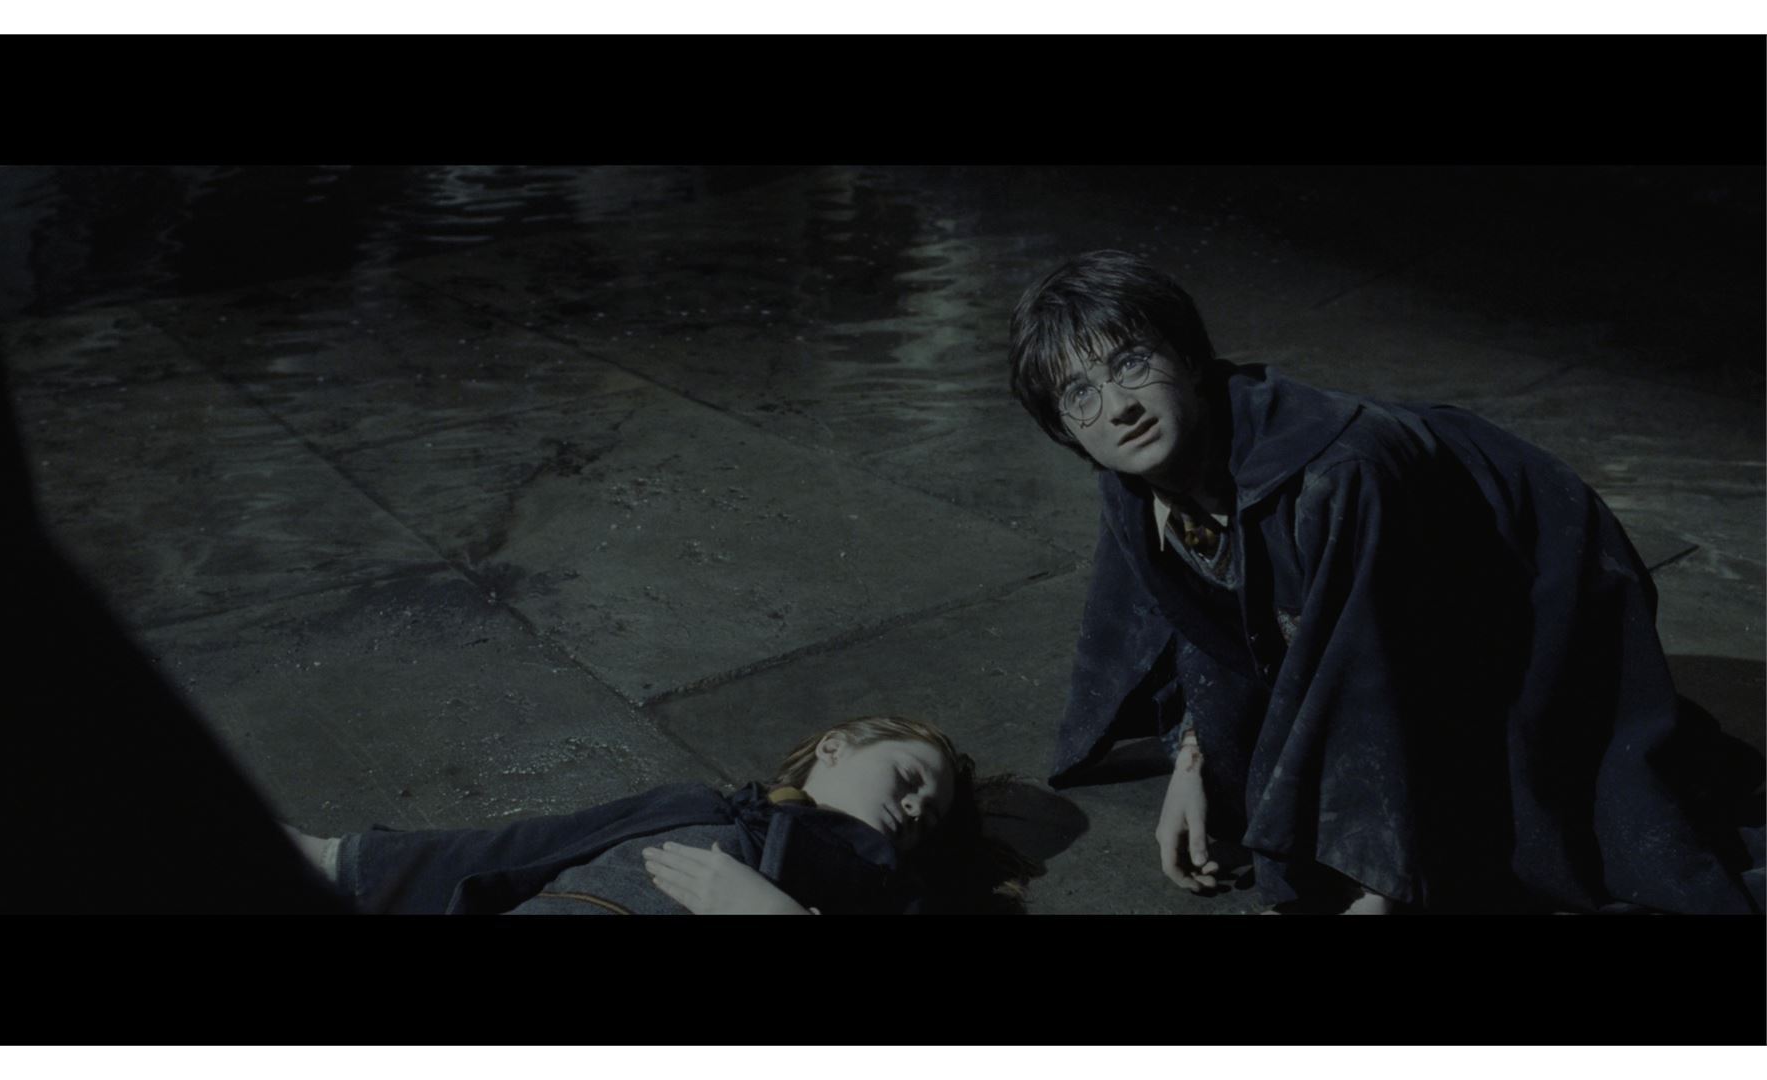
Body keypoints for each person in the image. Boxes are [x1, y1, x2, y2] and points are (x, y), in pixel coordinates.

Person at [1007, 249, 1764, 914]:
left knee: (1547, 824)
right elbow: (1207, 619)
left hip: (1530, 566)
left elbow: (1372, 668)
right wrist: (1194, 762)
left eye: (1131, 363)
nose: (1119, 408)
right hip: (1391, 570)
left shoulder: (1340, 477)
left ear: (1189, 357)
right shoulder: (1135, 476)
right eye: (1080, 396)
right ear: (1065, 430)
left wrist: (1372, 882)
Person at [286, 715, 1031, 914]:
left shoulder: (885, 889)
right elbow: (526, 848)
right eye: (909, 778)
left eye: (929, 816)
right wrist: (340, 861)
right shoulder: (705, 807)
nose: (914, 807)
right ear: (835, 747)